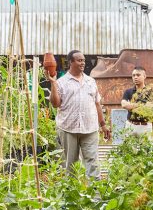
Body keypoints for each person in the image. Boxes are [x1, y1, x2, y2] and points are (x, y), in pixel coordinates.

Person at [46, 50, 111, 179]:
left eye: (84, 60)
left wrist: (103, 125)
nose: (82, 63)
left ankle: (96, 196)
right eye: (79, 60)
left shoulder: (91, 81)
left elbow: (97, 103)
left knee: (92, 162)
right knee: (71, 165)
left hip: (90, 128)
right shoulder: (61, 82)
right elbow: (55, 104)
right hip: (68, 128)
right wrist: (53, 83)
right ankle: (72, 196)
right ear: (71, 62)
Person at [121, 66, 153, 136]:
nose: (135, 77)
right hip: (130, 125)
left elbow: (148, 107)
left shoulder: (150, 92)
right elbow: (124, 105)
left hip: (145, 126)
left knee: (146, 147)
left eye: (138, 75)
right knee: (128, 147)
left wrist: (131, 106)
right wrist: (140, 105)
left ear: (144, 76)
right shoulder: (128, 91)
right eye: (133, 75)